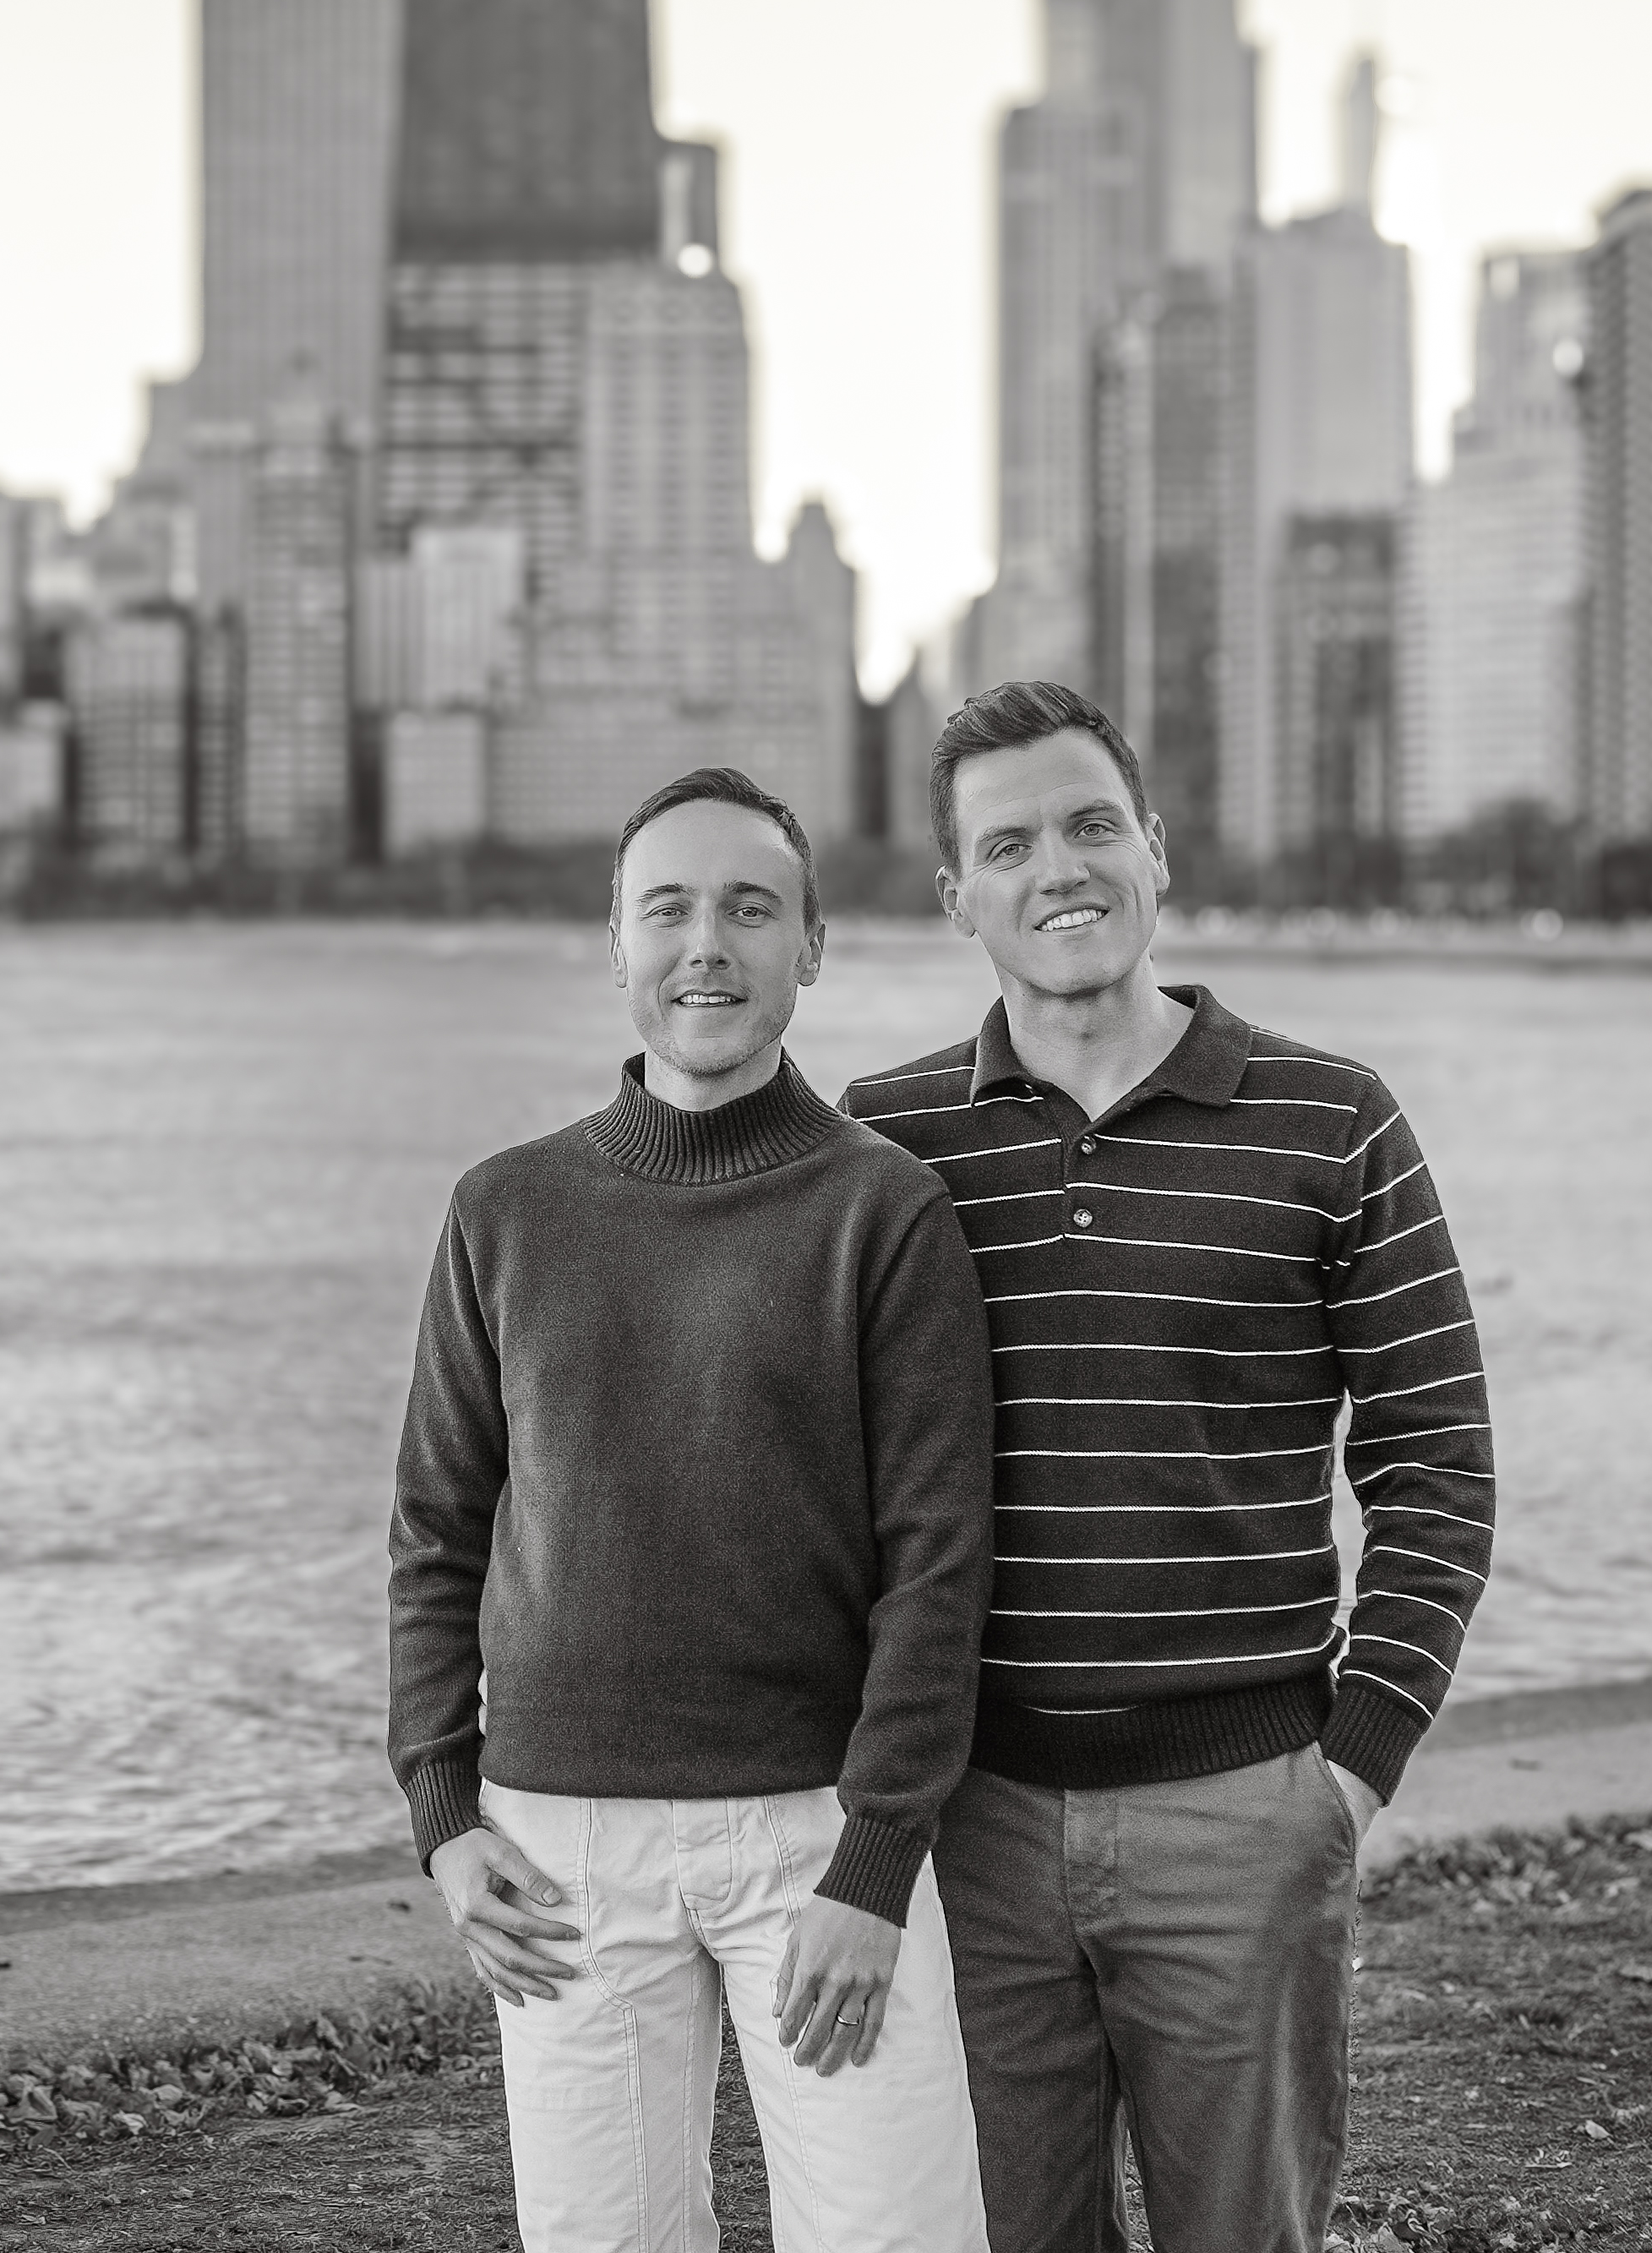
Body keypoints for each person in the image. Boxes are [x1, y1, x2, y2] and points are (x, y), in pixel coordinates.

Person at [841, 682, 1497, 2253]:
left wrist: (1347, 1775)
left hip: (1242, 1814)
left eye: (1091, 825)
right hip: (972, 1825)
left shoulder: (1333, 1122)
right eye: (1009, 845)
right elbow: (819, 1488)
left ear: (1154, 849)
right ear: (955, 897)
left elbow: (1436, 1468)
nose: (1059, 868)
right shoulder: (887, 1143)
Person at [389, 765, 1000, 2253]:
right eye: (666, 909)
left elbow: (937, 1566)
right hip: (559, 1851)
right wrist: (444, 1813)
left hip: (818, 1836)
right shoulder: (504, 1210)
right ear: (616, 946)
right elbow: (436, 1531)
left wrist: (877, 1862)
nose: (706, 945)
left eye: (750, 908)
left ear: (812, 947)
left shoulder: (884, 1211)